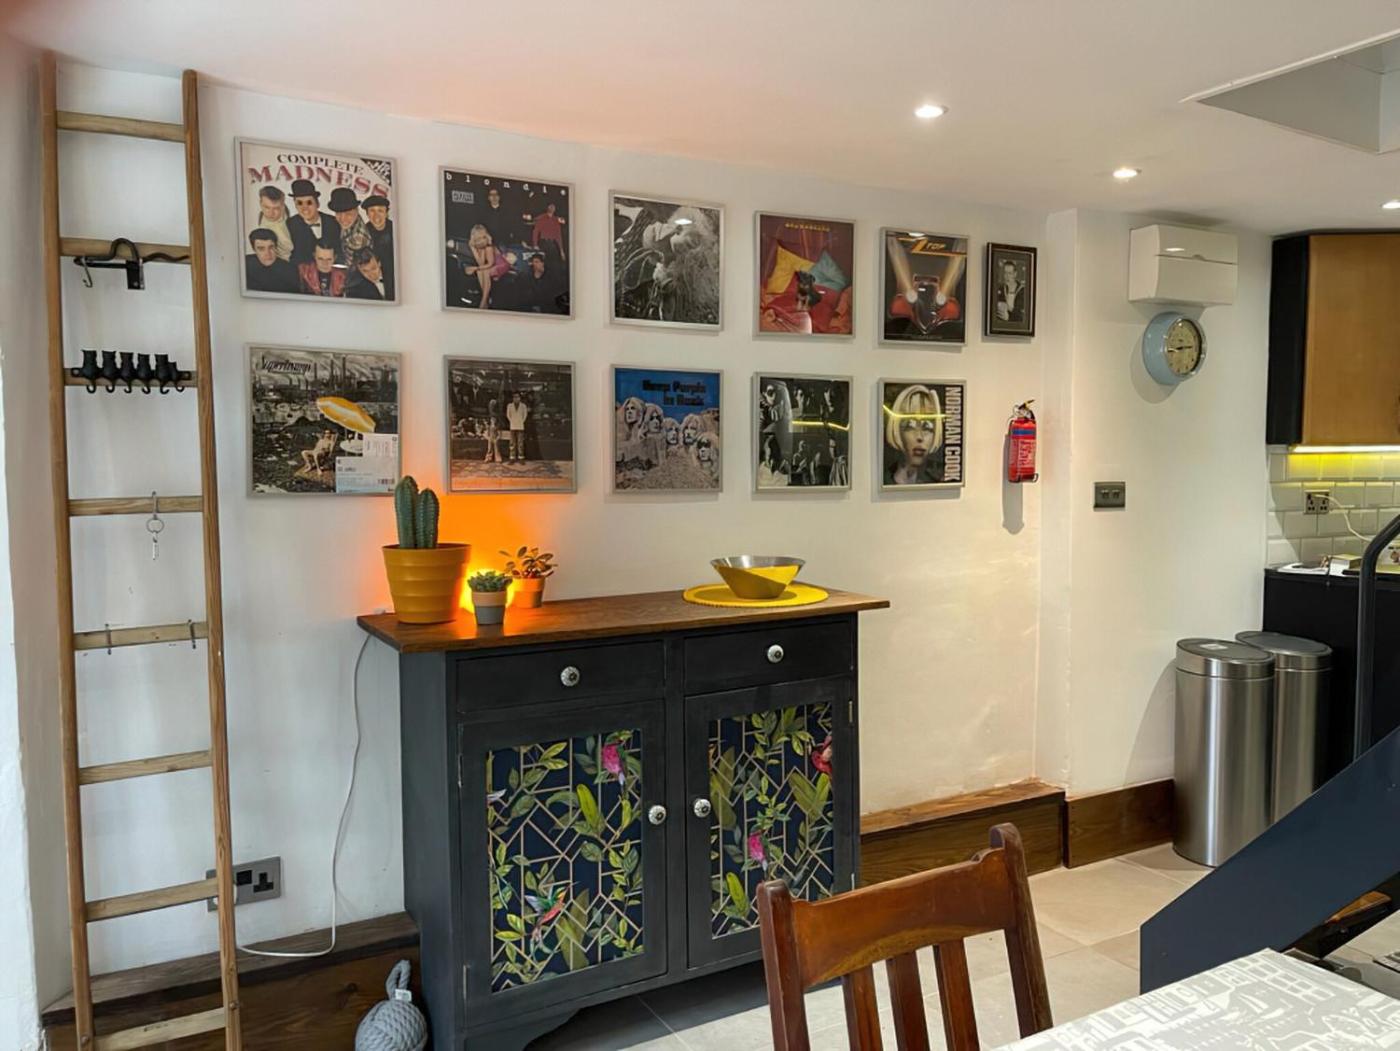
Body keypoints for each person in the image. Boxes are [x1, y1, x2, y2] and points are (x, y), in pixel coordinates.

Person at [884, 384, 946, 485]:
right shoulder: (885, 479)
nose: (919, 437)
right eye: (910, 426)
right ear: (897, 430)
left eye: (927, 427)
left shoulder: (937, 482)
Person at [286, 179, 336, 266]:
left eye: (309, 203)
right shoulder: (290, 225)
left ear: (317, 204)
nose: (304, 208)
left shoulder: (333, 222)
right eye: (299, 203)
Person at [464, 224, 508, 309]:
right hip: (490, 265)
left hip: (500, 264)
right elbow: (480, 263)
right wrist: (473, 248)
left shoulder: (488, 245)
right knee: (480, 271)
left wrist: (474, 268)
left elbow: (490, 263)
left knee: (485, 271)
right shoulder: (477, 245)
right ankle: (485, 301)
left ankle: (483, 301)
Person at [328, 187, 371, 272]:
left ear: (357, 210)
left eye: (348, 213)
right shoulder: (352, 222)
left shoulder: (357, 239)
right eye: (339, 213)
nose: (343, 219)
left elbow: (353, 271)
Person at [245, 228, 299, 294]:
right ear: (254, 249)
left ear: (276, 247)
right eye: (261, 249)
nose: (267, 253)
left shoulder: (290, 271)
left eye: (271, 247)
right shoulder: (244, 265)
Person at [362, 194, 395, 298]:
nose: (376, 215)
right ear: (367, 214)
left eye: (380, 210)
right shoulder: (363, 234)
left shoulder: (396, 230)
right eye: (372, 211)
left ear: (386, 213)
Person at [256, 186, 294, 261]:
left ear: (283, 206)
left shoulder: (290, 218)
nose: (271, 213)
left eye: (276, 208)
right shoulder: (263, 223)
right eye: (267, 207)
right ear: (260, 204)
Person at [996, 258, 1026, 324]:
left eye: (1010, 273)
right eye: (1005, 273)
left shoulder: (1022, 290)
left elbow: (1021, 316)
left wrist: (1009, 318)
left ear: (1015, 274)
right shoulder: (1000, 289)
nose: (1007, 276)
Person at [505, 391, 530, 462]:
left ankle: (521, 457)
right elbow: (508, 415)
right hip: (512, 425)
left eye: (517, 397)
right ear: (513, 398)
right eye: (514, 397)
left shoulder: (523, 406)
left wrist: (521, 421)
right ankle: (512, 457)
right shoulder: (509, 405)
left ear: (520, 398)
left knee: (520, 442)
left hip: (520, 425)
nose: (516, 398)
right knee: (512, 442)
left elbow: (525, 415)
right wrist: (512, 421)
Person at [482, 399, 502, 463]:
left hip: (495, 433)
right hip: (490, 433)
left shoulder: (498, 416)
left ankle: (497, 457)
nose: (492, 407)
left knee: (496, 445)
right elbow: (487, 424)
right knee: (489, 446)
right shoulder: (488, 415)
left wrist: (497, 429)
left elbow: (499, 425)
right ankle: (488, 457)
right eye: (491, 405)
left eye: (493, 405)